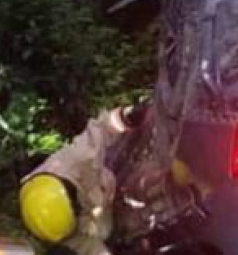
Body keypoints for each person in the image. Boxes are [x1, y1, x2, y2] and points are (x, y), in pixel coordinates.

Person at [19, 102, 149, 255]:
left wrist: (126, 117)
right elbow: (88, 246)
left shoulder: (76, 160)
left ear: (70, 194)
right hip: (114, 217)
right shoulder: (54, 227)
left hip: (113, 174)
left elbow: (100, 130)